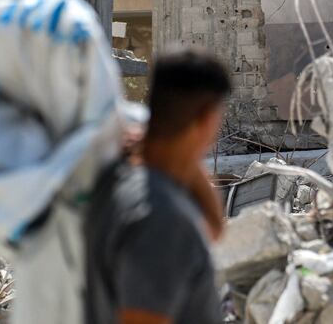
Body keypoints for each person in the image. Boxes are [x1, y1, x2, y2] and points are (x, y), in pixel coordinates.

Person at [85, 48, 231, 324]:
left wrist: (179, 150)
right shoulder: (163, 219)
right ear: (207, 119)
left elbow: (214, 229)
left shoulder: (122, 179)